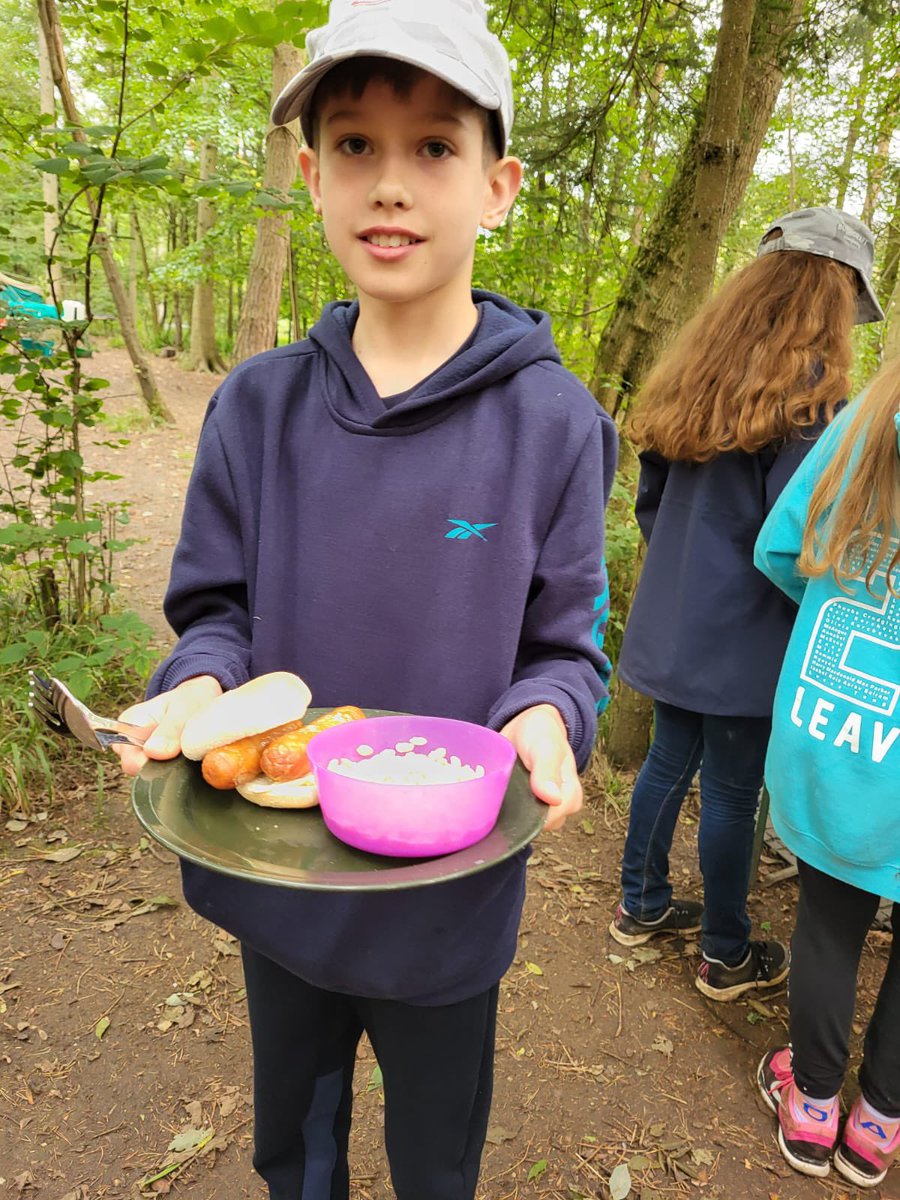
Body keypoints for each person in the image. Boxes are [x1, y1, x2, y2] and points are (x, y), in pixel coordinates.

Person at [113, 2, 618, 1197]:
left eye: (433, 146)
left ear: (497, 184)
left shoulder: (553, 424)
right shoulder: (260, 407)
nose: (390, 183)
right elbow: (217, 614)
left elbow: (565, 648)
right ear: (310, 173)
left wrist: (548, 717)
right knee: (296, 1144)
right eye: (354, 145)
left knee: (436, 1156)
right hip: (282, 881)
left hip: (448, 896)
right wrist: (196, 686)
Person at [608, 206, 884, 1002]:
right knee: (730, 790)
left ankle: (642, 906)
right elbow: (801, 537)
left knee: (667, 762)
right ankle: (726, 952)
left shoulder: (694, 371)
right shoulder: (814, 404)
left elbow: (651, 503)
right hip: (749, 631)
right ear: (833, 297)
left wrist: (687, 571)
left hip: (676, 613)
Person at [754, 358, 900, 1188]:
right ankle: (878, 1122)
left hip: (844, 737)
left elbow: (782, 549)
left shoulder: (870, 417)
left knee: (829, 922)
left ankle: (811, 1105)